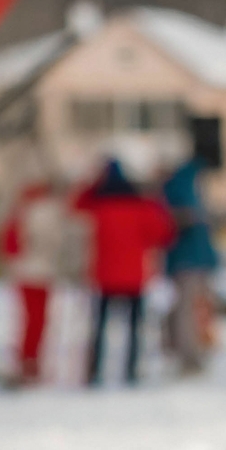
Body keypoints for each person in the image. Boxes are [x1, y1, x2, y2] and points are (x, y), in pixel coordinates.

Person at [72, 158, 175, 386]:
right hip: (134, 276)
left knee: (99, 328)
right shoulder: (141, 205)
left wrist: (93, 183)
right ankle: (131, 370)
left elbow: (75, 206)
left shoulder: (99, 206)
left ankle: (95, 372)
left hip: (104, 275)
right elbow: (163, 234)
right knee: (135, 327)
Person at [161, 136, 223, 376]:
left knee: (193, 310)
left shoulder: (181, 187)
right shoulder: (183, 188)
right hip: (190, 260)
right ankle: (188, 356)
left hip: (191, 260)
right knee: (188, 311)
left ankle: (192, 353)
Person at [0, 176, 65, 383]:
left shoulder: (21, 210)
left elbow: (9, 245)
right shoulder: (50, 210)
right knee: (38, 320)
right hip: (41, 273)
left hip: (24, 272)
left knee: (30, 319)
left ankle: (27, 360)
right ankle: (31, 361)